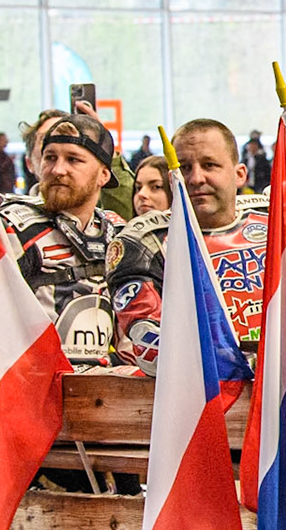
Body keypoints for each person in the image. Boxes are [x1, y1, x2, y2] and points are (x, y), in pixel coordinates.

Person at [0, 112, 124, 368]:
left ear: (103, 174)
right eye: (50, 158)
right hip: (31, 389)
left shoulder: (118, 232)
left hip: (104, 390)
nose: (58, 170)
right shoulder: (8, 227)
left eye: (73, 159)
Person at [108, 119, 269, 374]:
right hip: (197, 399)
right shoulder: (143, 243)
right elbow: (151, 346)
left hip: (280, 392)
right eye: (183, 167)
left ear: (240, 174)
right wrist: (242, 364)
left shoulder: (276, 223)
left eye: (209, 165)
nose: (196, 178)